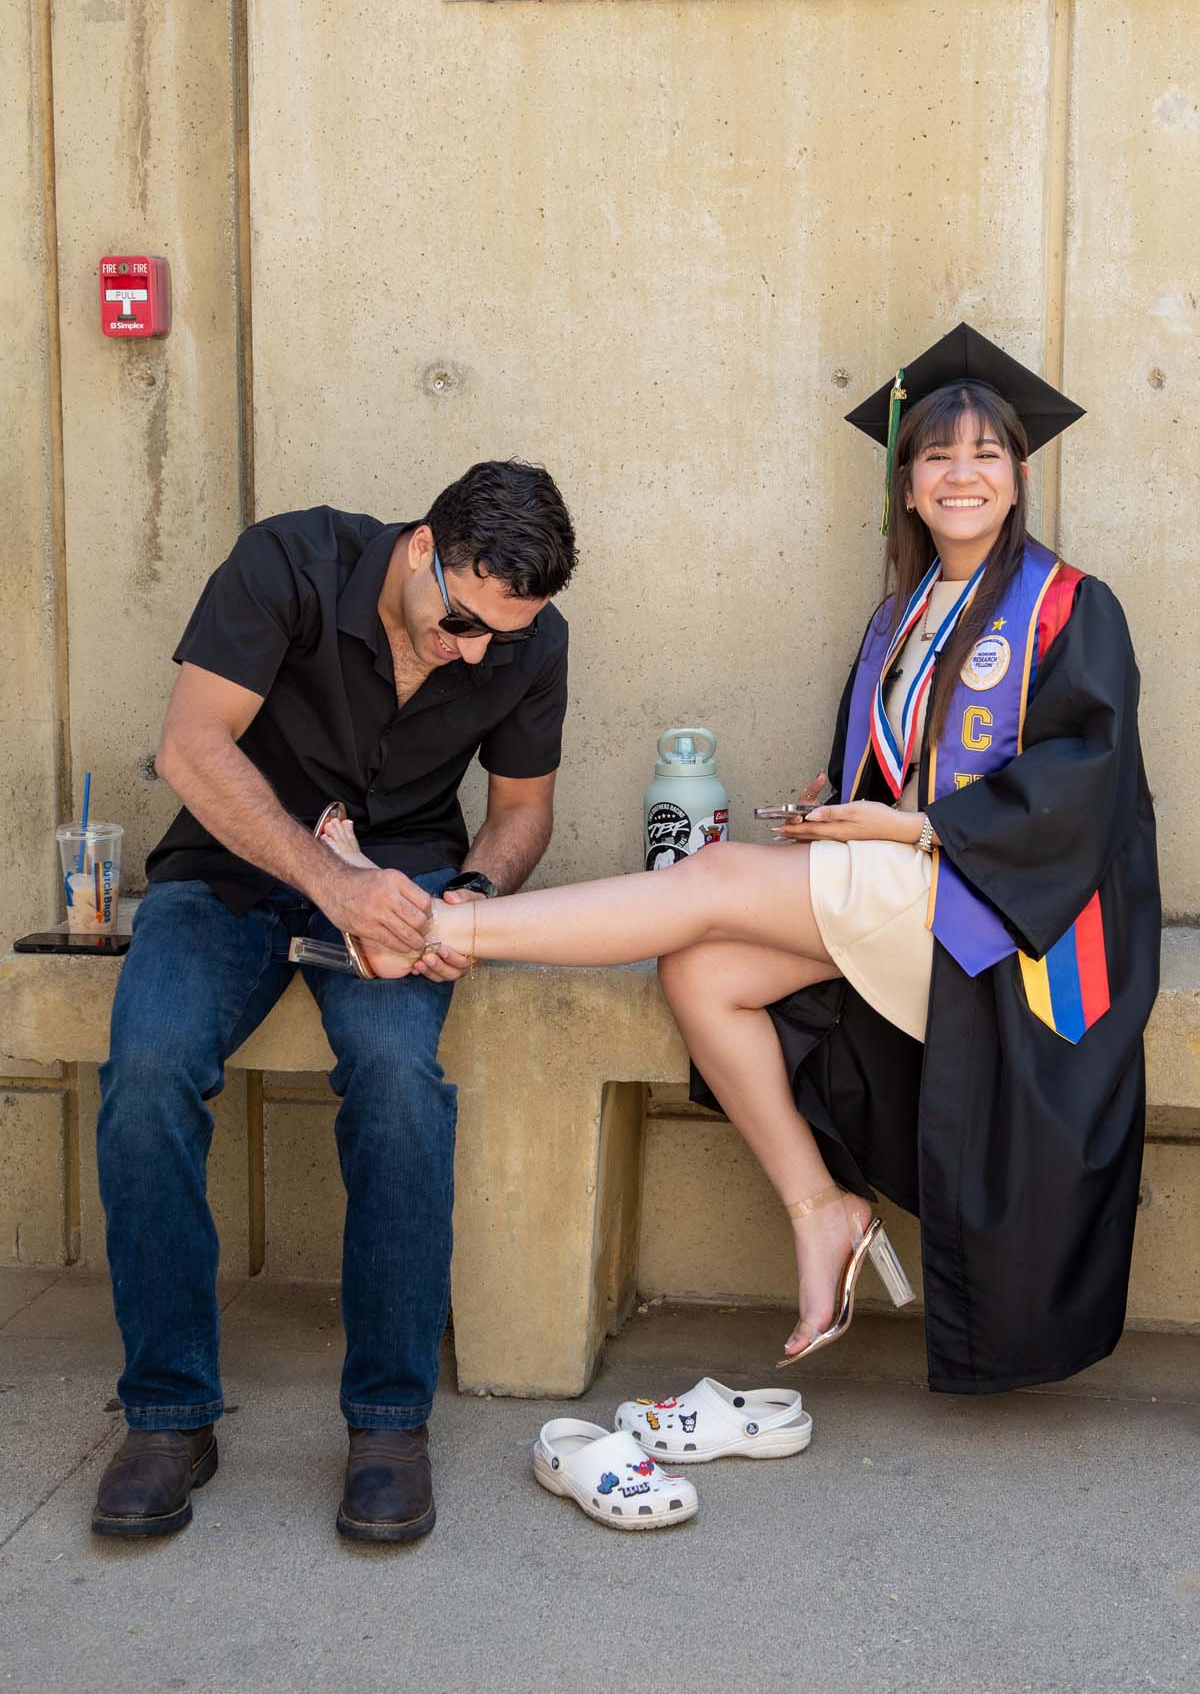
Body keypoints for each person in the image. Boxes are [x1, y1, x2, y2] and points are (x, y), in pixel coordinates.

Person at [336, 326, 1160, 1399]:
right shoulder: (902, 619)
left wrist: (910, 830)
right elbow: (890, 769)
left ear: (1017, 476)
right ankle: (823, 1208)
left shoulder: (1068, 606)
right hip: (916, 894)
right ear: (905, 486)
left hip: (1016, 923)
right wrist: (836, 803)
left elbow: (1083, 788)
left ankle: (441, 928)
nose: (964, 476)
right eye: (938, 456)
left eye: (987, 455)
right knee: (704, 974)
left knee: (716, 883)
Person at [92, 461, 577, 1543]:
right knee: (148, 1072)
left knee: (401, 1084)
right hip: (231, 861)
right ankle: (169, 1414)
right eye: (458, 622)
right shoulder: (289, 562)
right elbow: (191, 746)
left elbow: (523, 809)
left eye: (500, 635)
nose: (474, 653)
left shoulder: (527, 639)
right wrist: (331, 884)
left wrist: (474, 905)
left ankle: (389, 1425)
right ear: (420, 548)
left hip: (406, 877)